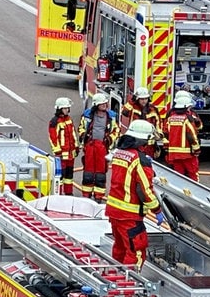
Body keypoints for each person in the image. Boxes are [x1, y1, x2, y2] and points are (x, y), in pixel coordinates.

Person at [105, 119, 165, 267]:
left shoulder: (119, 153)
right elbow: (144, 190)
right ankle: (129, 287)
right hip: (130, 215)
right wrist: (157, 209)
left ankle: (117, 281)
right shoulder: (141, 160)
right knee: (136, 252)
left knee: (120, 249)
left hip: (114, 211)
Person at [78, 92, 119, 201]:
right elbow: (81, 127)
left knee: (101, 173)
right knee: (88, 172)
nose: (105, 105)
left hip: (103, 147)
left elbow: (116, 131)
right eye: (102, 104)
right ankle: (86, 195)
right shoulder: (87, 115)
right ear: (96, 105)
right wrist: (83, 136)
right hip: (90, 146)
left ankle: (98, 196)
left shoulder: (111, 116)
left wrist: (110, 139)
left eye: (105, 103)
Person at [163, 90, 201, 181]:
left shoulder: (170, 119)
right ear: (186, 107)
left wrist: (167, 147)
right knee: (193, 175)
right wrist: (196, 149)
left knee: (178, 177)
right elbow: (192, 135)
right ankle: (194, 193)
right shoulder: (187, 119)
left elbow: (165, 133)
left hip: (173, 154)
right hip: (187, 154)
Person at [49, 97, 78, 195]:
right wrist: (57, 151)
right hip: (62, 154)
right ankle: (59, 194)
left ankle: (69, 193)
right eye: (65, 108)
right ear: (59, 108)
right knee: (61, 176)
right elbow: (53, 138)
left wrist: (76, 146)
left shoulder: (69, 119)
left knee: (69, 176)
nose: (67, 110)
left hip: (70, 154)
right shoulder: (55, 121)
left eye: (68, 108)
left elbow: (73, 134)